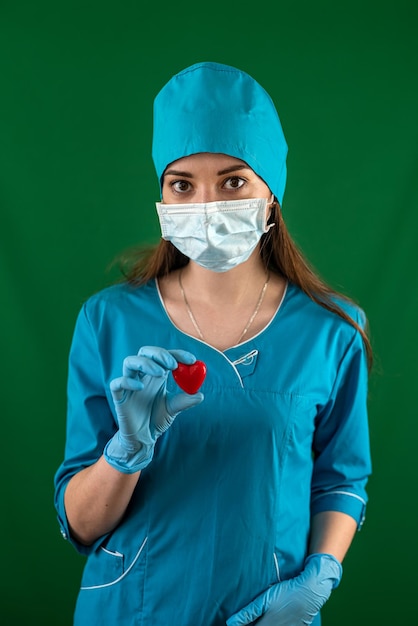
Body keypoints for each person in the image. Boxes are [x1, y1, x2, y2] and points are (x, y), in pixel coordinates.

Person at [54, 61, 372, 626]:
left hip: (266, 612)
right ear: (162, 199)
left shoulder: (332, 331)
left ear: (271, 195)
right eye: (182, 184)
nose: (207, 204)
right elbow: (79, 524)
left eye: (233, 181)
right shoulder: (108, 320)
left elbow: (340, 479)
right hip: (132, 611)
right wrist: (123, 453)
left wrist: (320, 576)